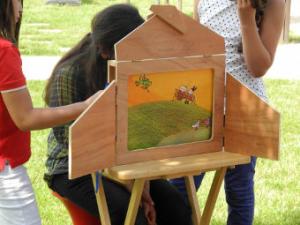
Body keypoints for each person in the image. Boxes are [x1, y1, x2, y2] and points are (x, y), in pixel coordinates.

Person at [43, 4, 192, 225]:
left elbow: (141, 127)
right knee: (131, 217)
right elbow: (71, 141)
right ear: (104, 51)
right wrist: (133, 185)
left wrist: (143, 183)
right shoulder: (70, 74)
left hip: (123, 161)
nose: (135, 55)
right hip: (73, 168)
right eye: (128, 49)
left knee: (176, 205)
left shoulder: (131, 66)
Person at [170, 0, 285, 225]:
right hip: (203, 106)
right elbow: (195, 49)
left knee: (238, 191)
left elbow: (258, 67)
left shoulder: (273, 2)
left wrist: (246, 20)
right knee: (181, 185)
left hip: (244, 110)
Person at [0, 0, 100, 224]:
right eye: (17, 1)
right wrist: (85, 106)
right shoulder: (4, 52)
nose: (21, 8)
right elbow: (25, 118)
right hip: (5, 169)